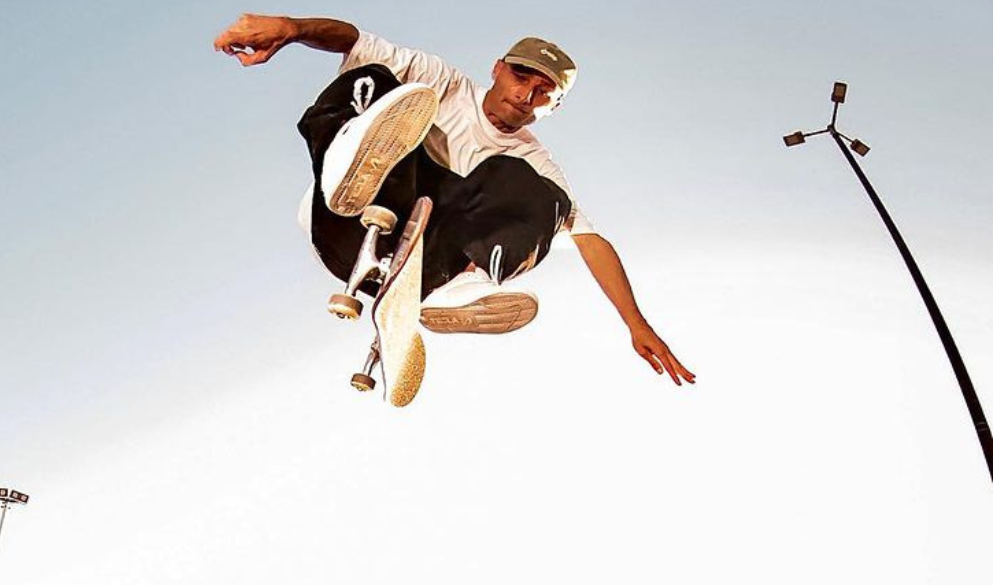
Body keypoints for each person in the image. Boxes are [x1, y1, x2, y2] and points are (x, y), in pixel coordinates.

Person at [213, 14, 695, 385]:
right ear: (498, 70)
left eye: (544, 92)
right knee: (385, 80)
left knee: (535, 192)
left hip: (421, 261)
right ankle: (352, 170)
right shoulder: (444, 82)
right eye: (523, 76)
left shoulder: (535, 162)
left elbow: (591, 241)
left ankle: (448, 293)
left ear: (554, 107)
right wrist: (292, 29)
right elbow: (353, 41)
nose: (527, 94)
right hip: (341, 223)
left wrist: (636, 323)